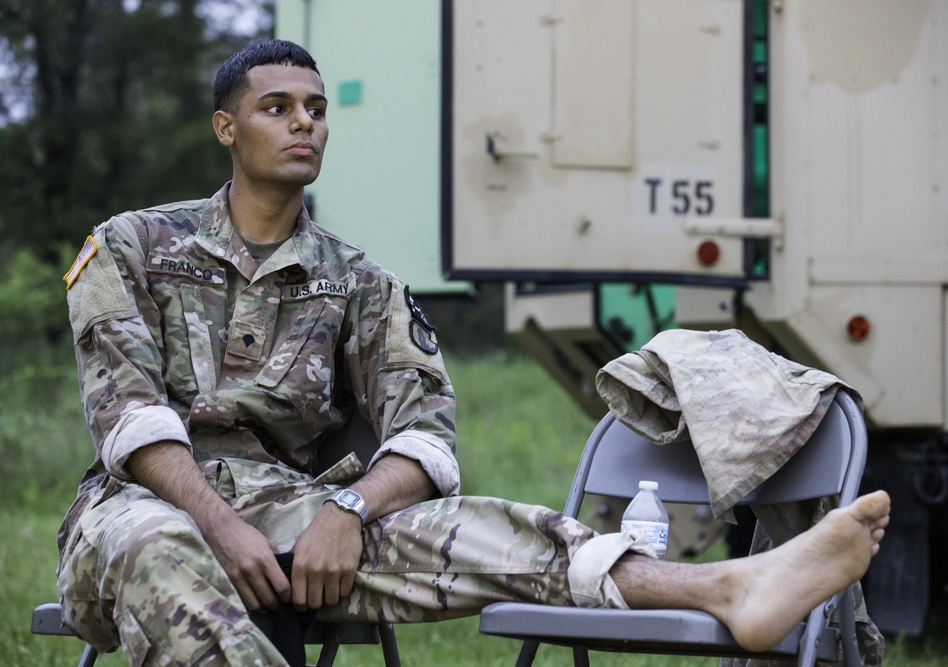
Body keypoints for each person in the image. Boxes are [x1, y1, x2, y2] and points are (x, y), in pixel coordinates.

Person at [56, 39, 891, 666]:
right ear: (225, 127)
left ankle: (728, 585)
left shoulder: (359, 282)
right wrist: (220, 525)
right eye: (278, 107)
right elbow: (128, 416)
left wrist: (348, 513)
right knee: (165, 555)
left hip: (301, 521)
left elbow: (426, 433)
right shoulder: (132, 246)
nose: (304, 121)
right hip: (141, 515)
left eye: (316, 107)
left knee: (500, 530)